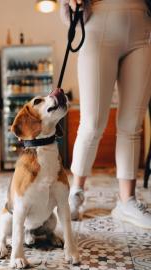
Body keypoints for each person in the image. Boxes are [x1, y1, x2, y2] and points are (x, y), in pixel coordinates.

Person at [60, 0, 151, 228]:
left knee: (132, 125)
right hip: (99, 23)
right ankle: (76, 193)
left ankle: (127, 201)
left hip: (143, 28)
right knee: (92, 123)